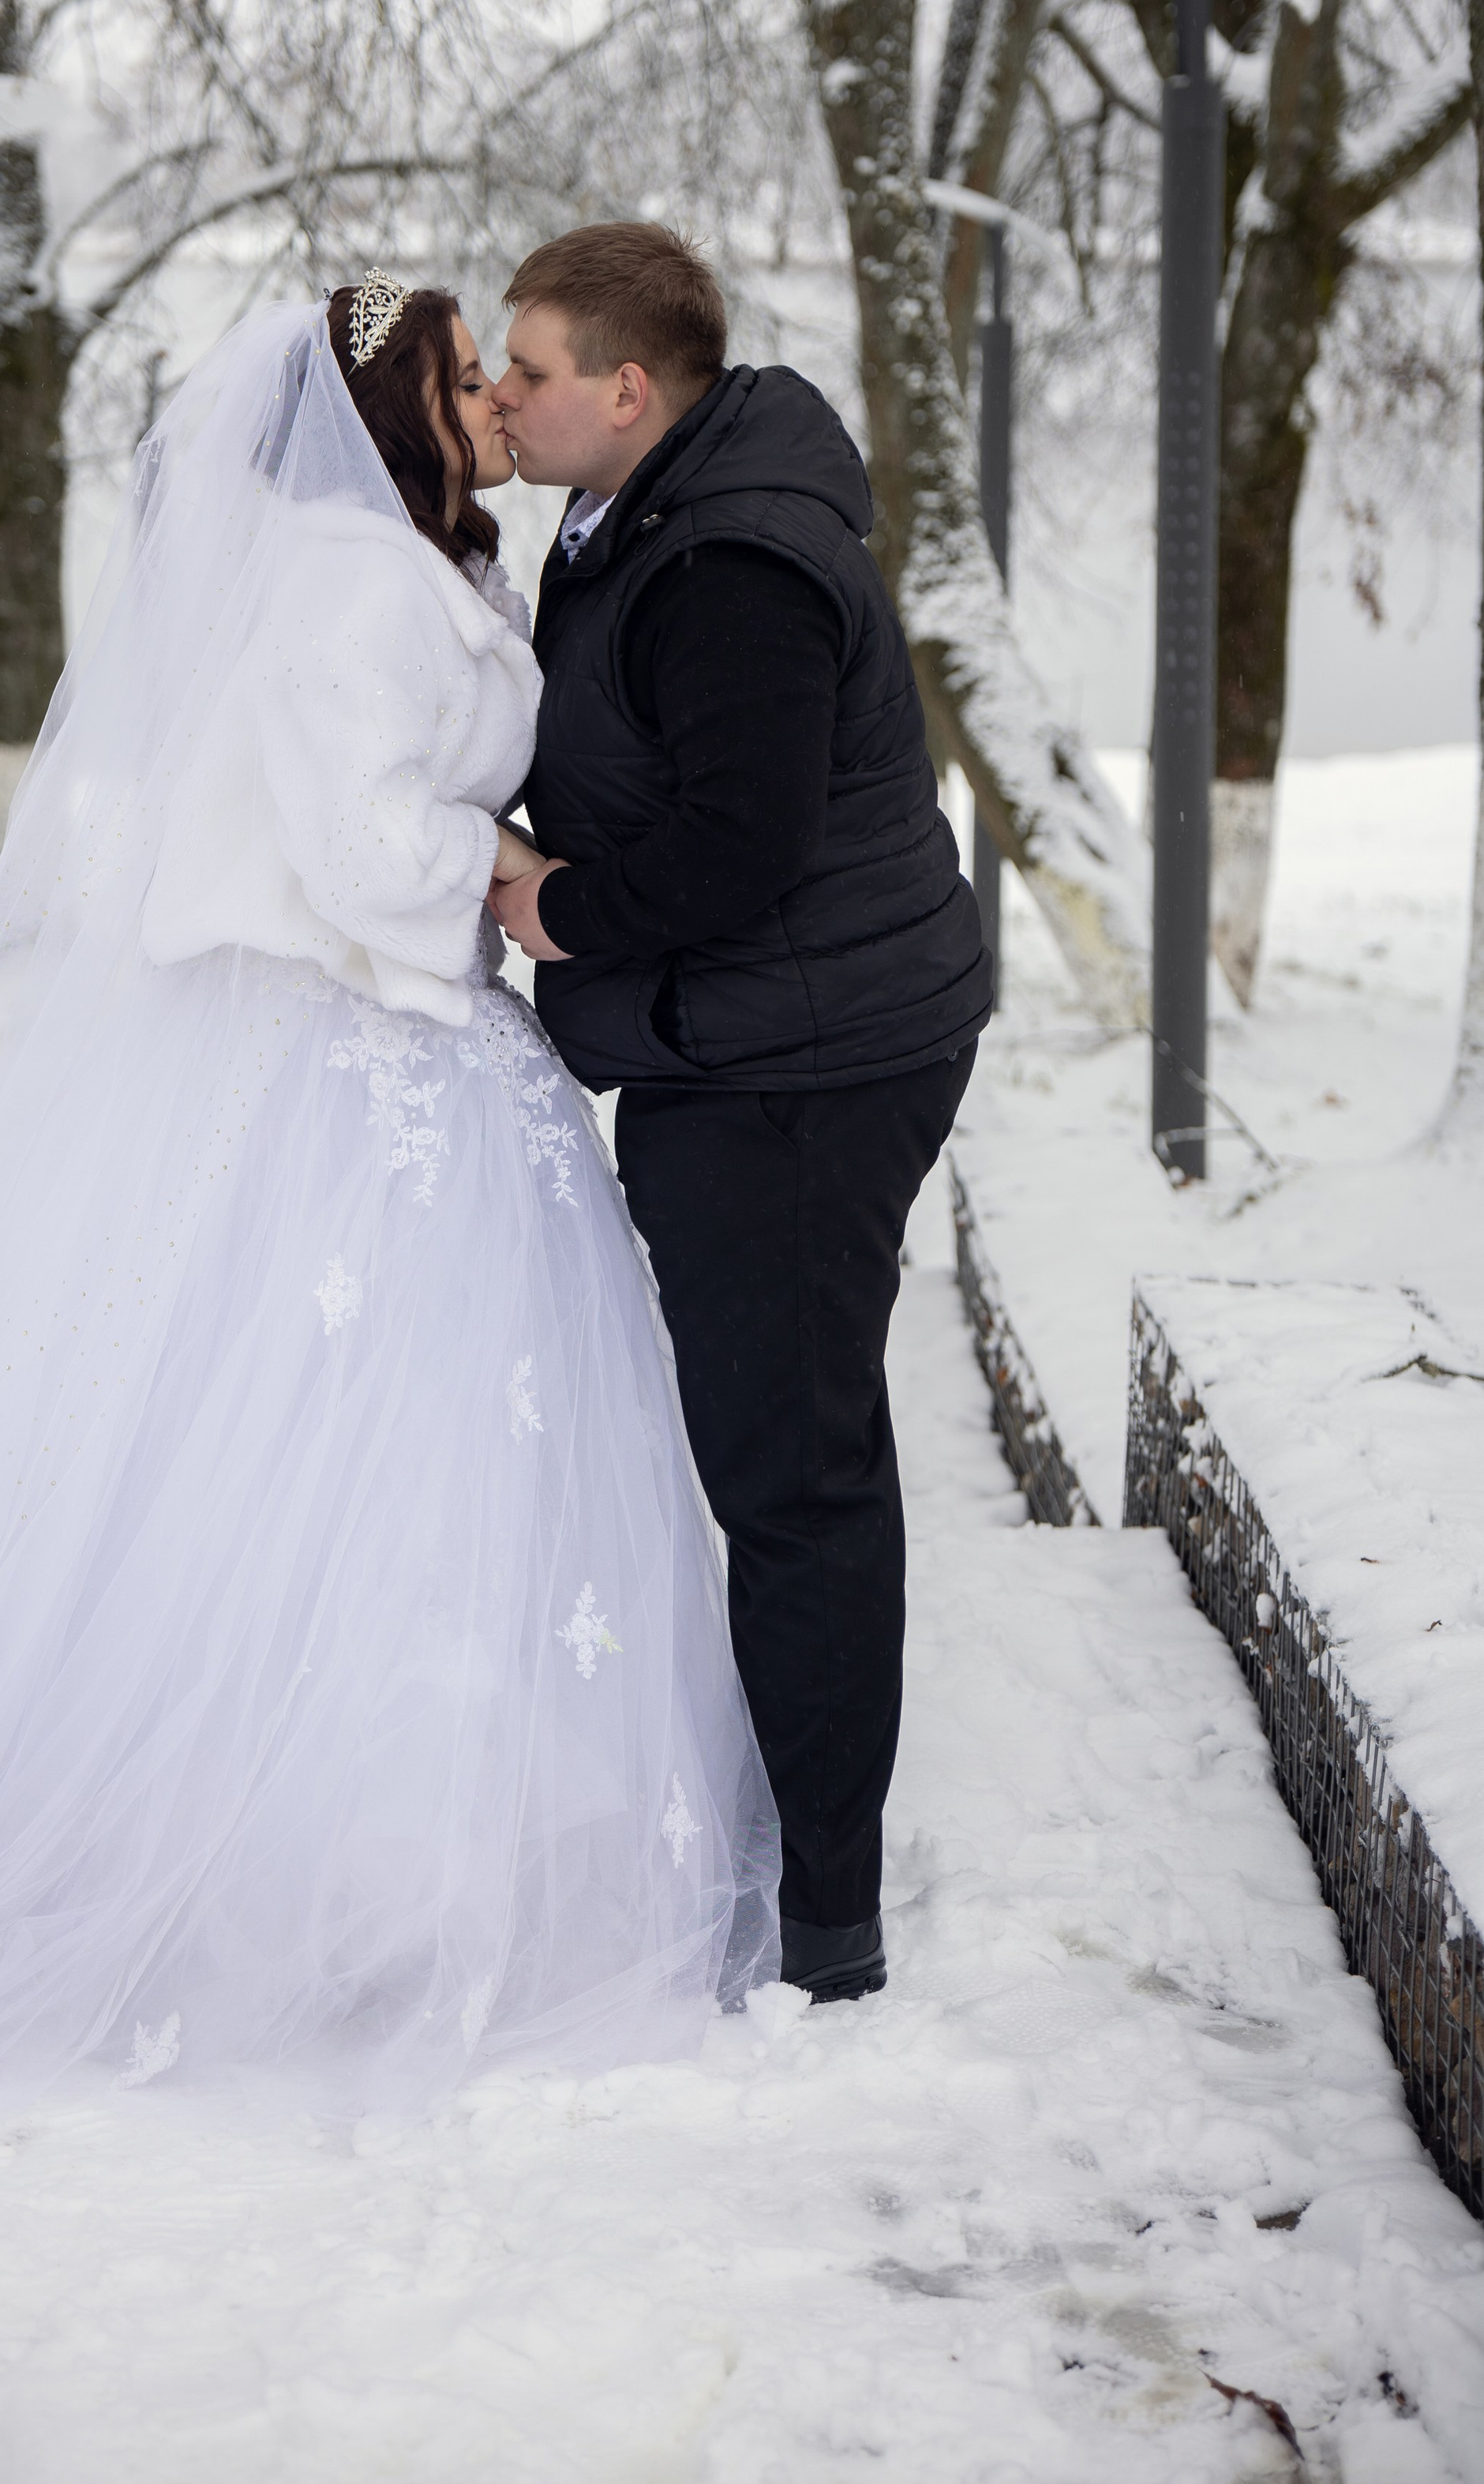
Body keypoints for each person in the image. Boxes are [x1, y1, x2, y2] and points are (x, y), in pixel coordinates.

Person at [0, 282, 778, 2103]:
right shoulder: (335, 580)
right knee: (272, 1457)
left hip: (424, 1046)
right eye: (463, 375)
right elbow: (354, 835)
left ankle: (409, 1856)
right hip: (326, 1045)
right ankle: (216, 1861)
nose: (486, 397)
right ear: (387, 411)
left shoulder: (426, 565)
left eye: (498, 369)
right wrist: (502, 865)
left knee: (415, 1473)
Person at [487, 223, 992, 2006]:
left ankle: (828, 1927)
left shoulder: (727, 561)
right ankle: (807, 1844)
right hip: (771, 1033)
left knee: (792, 1473)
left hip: (798, 1062)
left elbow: (737, 842)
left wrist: (546, 907)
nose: (499, 394)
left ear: (628, 389)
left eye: (527, 369)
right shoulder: (648, 507)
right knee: (783, 1451)